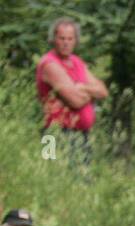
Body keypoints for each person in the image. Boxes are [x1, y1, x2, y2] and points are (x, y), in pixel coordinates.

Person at [35, 18, 107, 161]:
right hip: (54, 133)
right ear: (54, 39)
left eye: (70, 38)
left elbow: (103, 91)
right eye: (62, 38)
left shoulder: (76, 62)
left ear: (75, 40)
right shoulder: (49, 64)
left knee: (81, 180)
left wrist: (81, 88)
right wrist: (90, 94)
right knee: (51, 176)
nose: (66, 42)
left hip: (81, 134)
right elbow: (75, 101)